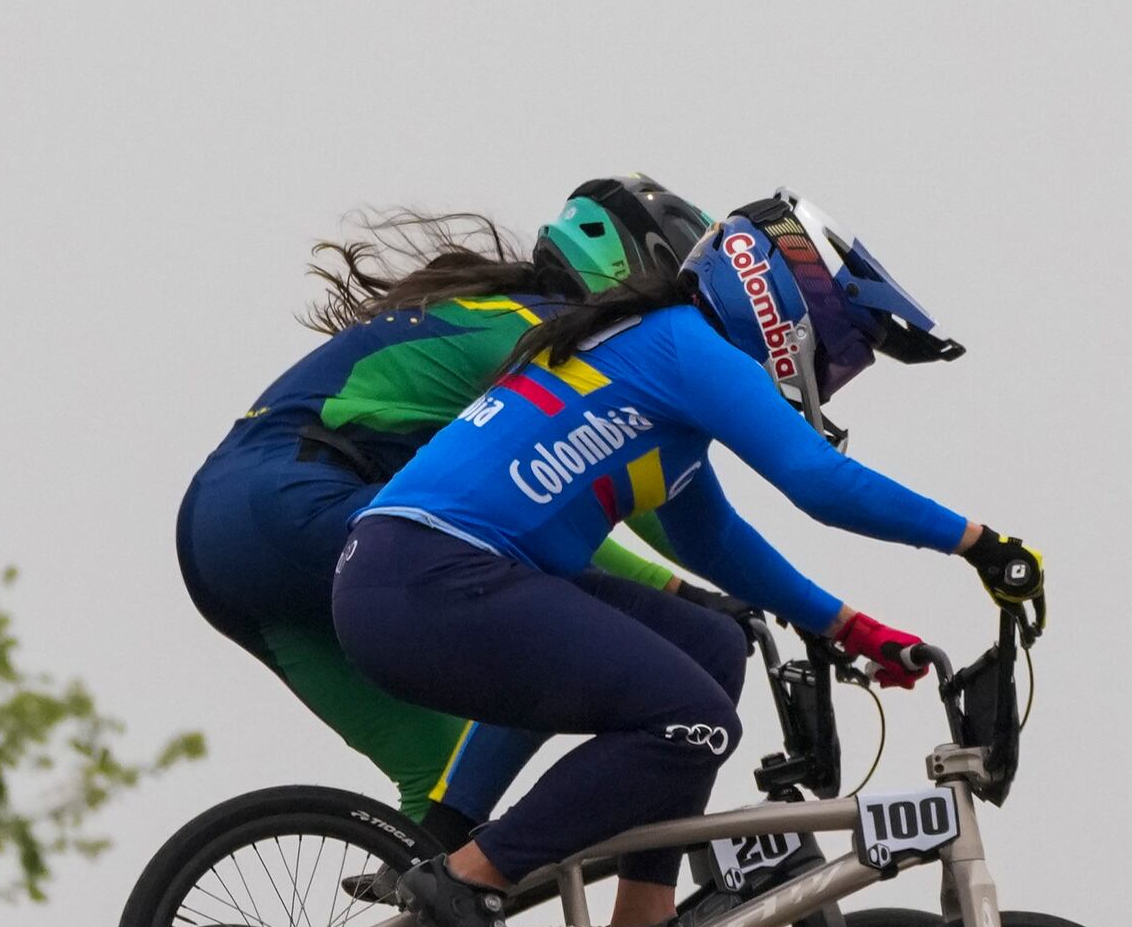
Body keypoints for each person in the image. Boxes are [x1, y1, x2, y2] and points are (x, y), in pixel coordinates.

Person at [333, 191, 1044, 927]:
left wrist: (850, 627)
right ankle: (465, 879)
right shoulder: (683, 344)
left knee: (710, 645)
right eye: (843, 346)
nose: (837, 372)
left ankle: (645, 921)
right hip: (430, 576)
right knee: (691, 721)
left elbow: (715, 543)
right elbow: (816, 480)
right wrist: (982, 543)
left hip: (417, 577)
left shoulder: (654, 362)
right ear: (778, 296)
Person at [176, 177, 730, 850]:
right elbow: (603, 494)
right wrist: (680, 591)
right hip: (291, 502)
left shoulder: (496, 310)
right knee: (549, 613)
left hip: (228, 537)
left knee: (440, 792)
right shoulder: (531, 328)